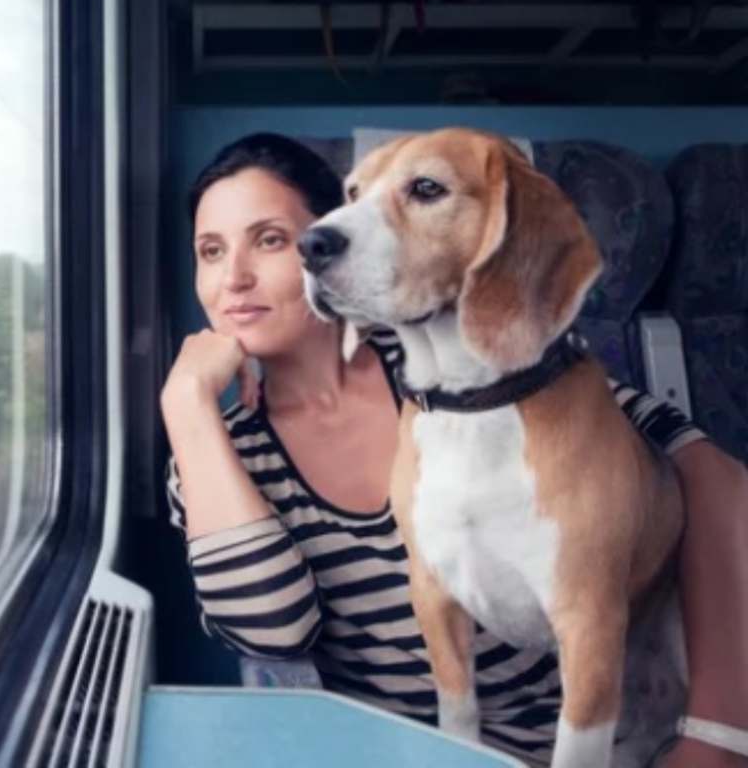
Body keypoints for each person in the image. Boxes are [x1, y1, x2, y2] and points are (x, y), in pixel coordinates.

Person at [160, 132, 748, 767]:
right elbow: (271, 631)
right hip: (406, 753)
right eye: (210, 252)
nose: (234, 279)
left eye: (271, 239)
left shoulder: (476, 365)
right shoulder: (214, 456)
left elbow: (711, 476)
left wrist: (716, 737)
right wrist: (188, 404)